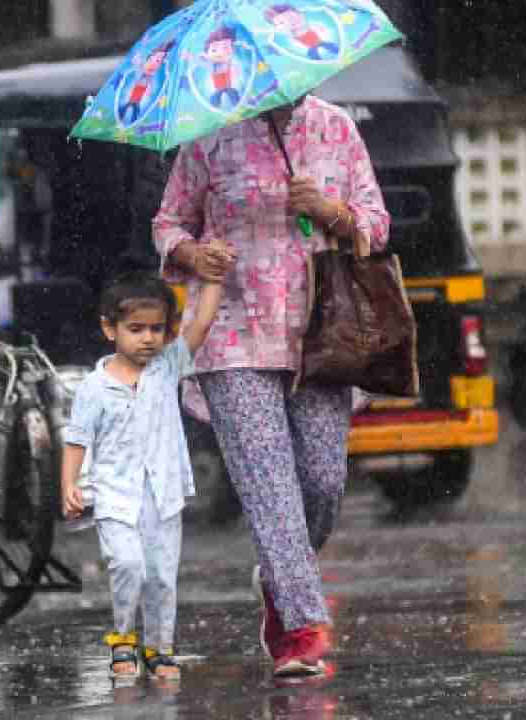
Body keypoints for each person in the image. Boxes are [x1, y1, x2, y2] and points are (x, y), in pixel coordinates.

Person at [153, 93, 390, 676]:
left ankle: (280, 575)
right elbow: (169, 222)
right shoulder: (208, 135)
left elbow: (376, 224)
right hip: (233, 336)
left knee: (323, 482)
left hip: (322, 334)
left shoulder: (336, 126)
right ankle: (300, 631)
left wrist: (330, 212)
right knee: (269, 484)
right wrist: (194, 254)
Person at [60, 271, 228, 680]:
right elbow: (77, 439)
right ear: (110, 329)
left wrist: (213, 279)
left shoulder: (167, 368)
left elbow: (201, 324)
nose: (147, 338)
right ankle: (122, 638)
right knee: (127, 565)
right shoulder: (93, 387)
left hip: (163, 493)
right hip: (114, 494)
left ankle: (159, 649)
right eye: (135, 329)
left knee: (161, 576)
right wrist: (69, 484)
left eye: (156, 329)